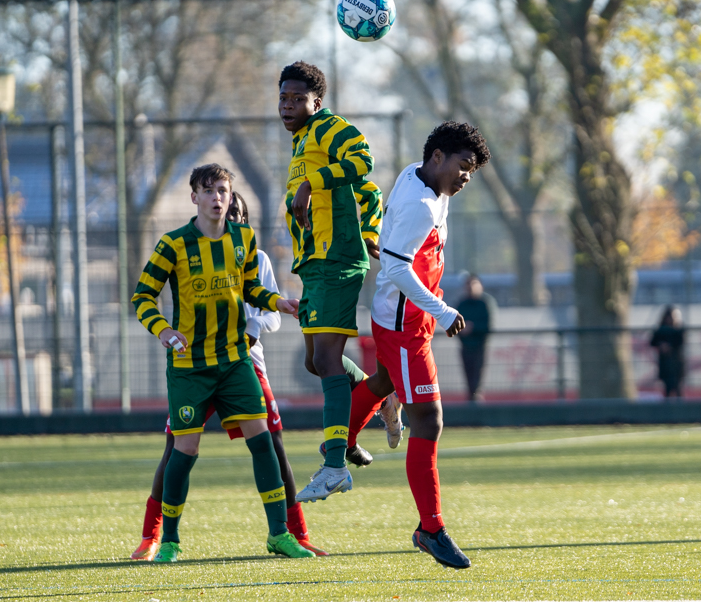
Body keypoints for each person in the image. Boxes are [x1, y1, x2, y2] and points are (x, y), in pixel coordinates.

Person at [129, 192, 328, 561]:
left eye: (236, 211)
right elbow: (145, 295)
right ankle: (153, 535)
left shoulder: (254, 254)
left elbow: (268, 310)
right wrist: (167, 331)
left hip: (245, 362)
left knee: (273, 445)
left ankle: (293, 532)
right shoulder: (183, 246)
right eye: (222, 206)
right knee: (176, 447)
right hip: (196, 364)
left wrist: (247, 329)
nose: (228, 215)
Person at [331, 120, 491, 568]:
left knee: (383, 381)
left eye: (472, 171)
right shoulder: (423, 202)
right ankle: (431, 528)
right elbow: (398, 271)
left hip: (405, 322)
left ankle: (339, 440)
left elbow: (397, 242)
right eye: (463, 166)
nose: (466, 177)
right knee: (430, 420)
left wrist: (385, 242)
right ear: (436, 156)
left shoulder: (415, 176)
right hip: (405, 327)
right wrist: (442, 311)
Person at [277, 61, 385, 503]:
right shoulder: (303, 141)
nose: (287, 106)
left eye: (297, 98)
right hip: (313, 264)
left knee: (326, 360)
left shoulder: (328, 128)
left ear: (316, 102)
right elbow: (365, 192)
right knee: (315, 363)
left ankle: (336, 463)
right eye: (283, 98)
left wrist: (312, 188)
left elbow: (366, 166)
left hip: (338, 259)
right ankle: (379, 398)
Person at [455, 274, 495, 402]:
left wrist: (473, 328)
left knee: (477, 375)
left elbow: (487, 326)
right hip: (465, 346)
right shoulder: (461, 304)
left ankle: (476, 397)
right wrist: (462, 330)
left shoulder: (485, 303)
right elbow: (453, 324)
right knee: (468, 375)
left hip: (479, 346)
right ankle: (471, 398)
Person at [650, 305, 685, 398]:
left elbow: (680, 342)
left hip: (676, 364)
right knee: (668, 390)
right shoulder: (661, 330)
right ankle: (668, 410)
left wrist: (669, 346)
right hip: (665, 364)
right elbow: (652, 342)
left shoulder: (678, 330)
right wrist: (661, 345)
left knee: (677, 389)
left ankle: (681, 410)